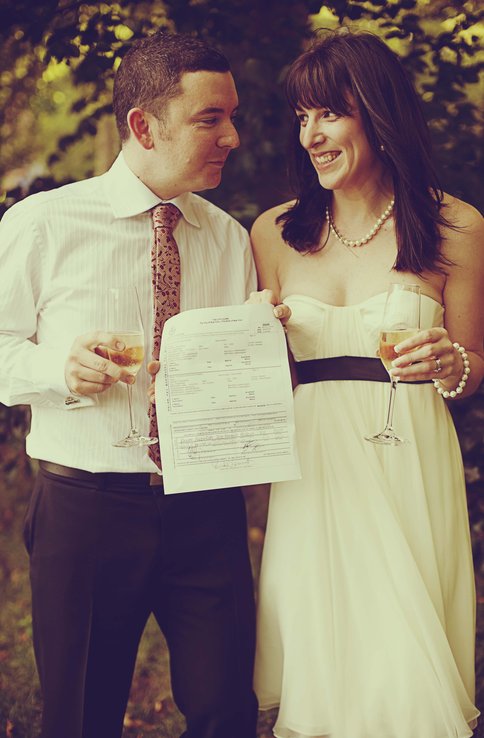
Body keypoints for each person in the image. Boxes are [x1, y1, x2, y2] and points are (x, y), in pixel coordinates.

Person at [0, 31, 260, 738]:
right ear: (144, 126)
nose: (232, 136)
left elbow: (241, 379)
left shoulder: (230, 238)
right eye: (210, 119)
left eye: (232, 115)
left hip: (206, 509)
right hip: (86, 506)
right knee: (81, 715)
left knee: (226, 710)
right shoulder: (41, 224)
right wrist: (60, 371)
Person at [249, 29, 483, 738]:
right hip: (310, 471)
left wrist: (452, 365)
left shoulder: (456, 226)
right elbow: (256, 382)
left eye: (329, 114)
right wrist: (252, 335)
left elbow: (474, 365)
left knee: (401, 670)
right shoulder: (273, 232)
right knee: (322, 656)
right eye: (301, 118)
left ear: (377, 114)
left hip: (407, 457)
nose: (311, 135)